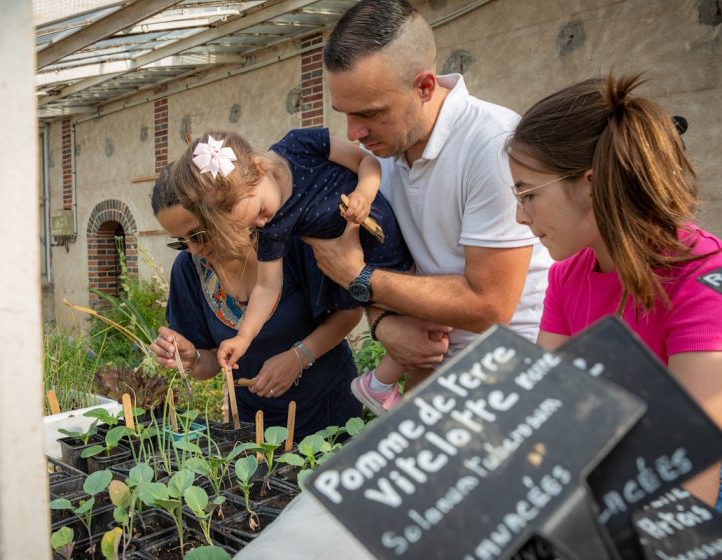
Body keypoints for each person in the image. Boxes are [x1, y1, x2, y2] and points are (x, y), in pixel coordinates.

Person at [305, 0, 553, 391]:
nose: (354, 133)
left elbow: (491, 304)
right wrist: (384, 324)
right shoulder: (377, 158)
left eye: (369, 113)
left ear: (424, 86)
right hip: (429, 376)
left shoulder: (493, 144)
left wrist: (357, 276)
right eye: (345, 114)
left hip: (512, 374)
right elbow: (386, 268)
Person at [506, 72, 722, 507]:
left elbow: (691, 485)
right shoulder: (567, 276)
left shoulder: (702, 280)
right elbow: (547, 408)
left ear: (589, 183)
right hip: (614, 473)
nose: (519, 216)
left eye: (528, 194)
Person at [172, 129, 413, 415]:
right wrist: (243, 337)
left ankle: (385, 388)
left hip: (389, 244)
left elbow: (366, 162)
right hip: (378, 264)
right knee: (423, 334)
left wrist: (363, 193)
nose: (262, 224)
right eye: (251, 224)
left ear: (259, 168)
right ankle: (384, 387)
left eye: (260, 210)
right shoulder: (274, 228)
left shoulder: (299, 145)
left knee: (426, 329)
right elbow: (267, 288)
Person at [148, 164, 364, 438]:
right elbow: (213, 362)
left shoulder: (289, 242)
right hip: (253, 423)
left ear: (225, 210)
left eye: (199, 234)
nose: (194, 249)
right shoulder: (189, 269)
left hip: (327, 410)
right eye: (180, 242)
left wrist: (299, 357)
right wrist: (192, 359)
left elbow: (349, 313)